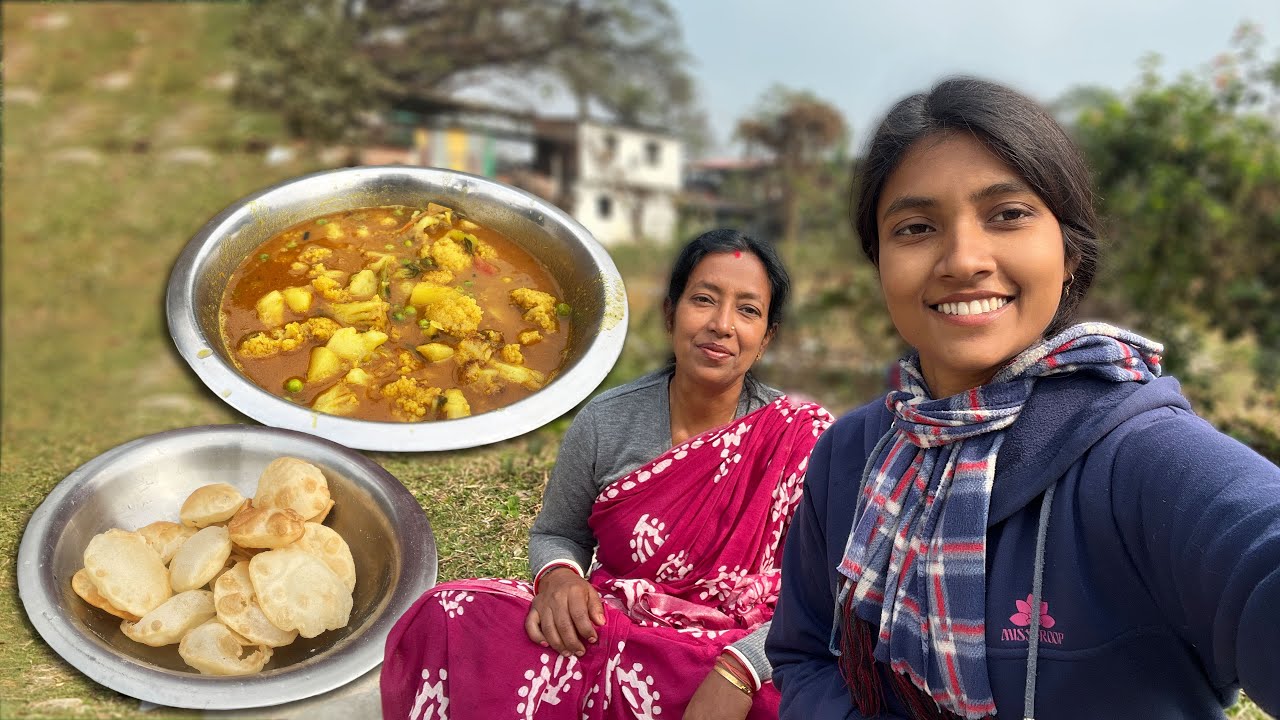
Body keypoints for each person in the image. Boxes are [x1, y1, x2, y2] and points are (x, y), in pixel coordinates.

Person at [766, 77, 1280, 720]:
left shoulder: (1140, 458)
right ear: (881, 265)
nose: (963, 260)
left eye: (1008, 214)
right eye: (916, 227)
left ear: (1069, 252)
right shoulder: (851, 455)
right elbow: (806, 652)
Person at [383, 228, 833, 719]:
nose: (722, 324)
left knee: (805, 699)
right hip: (609, 630)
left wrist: (742, 669)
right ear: (670, 314)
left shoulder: (802, 437)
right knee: (449, 614)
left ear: (765, 338)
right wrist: (558, 578)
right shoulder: (607, 420)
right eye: (704, 299)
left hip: (733, 654)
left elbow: (824, 594)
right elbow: (558, 532)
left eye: (747, 310)